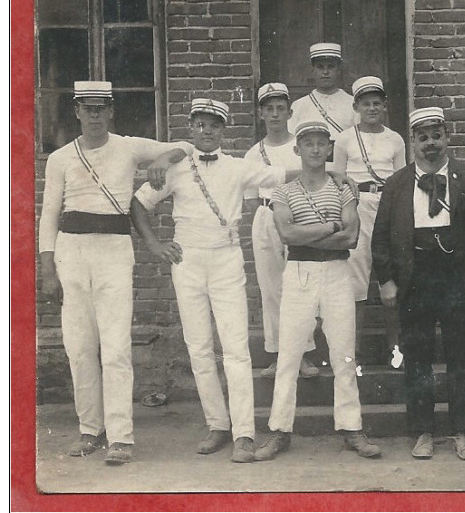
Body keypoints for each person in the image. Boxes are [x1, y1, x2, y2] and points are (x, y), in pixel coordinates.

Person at [37, 81, 190, 465]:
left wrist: (162, 158)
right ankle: (90, 429)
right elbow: (49, 214)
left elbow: (186, 148)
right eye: (86, 109)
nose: (93, 115)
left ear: (110, 112)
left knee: (117, 346)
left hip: (114, 252)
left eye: (100, 109)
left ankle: (121, 437)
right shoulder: (60, 158)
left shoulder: (128, 146)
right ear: (76, 112)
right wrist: (47, 268)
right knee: (79, 345)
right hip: (71, 252)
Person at [130, 98, 291, 464]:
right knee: (199, 347)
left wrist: (334, 171)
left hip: (226, 259)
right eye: (200, 124)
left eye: (214, 125)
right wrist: (155, 245)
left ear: (223, 130)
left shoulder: (238, 167)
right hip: (187, 260)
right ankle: (217, 425)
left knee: (235, 348)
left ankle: (244, 433)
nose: (206, 131)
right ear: (191, 127)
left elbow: (285, 173)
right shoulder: (175, 168)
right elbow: (139, 205)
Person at [254, 121, 381, 461]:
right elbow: (287, 235)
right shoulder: (283, 192)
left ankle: (352, 428)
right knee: (289, 357)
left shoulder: (343, 189)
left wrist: (310, 229)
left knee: (344, 356)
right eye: (307, 143)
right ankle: (279, 431)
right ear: (297, 149)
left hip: (338, 272)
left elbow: (351, 237)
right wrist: (330, 226)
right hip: (299, 272)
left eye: (320, 143)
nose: (314, 149)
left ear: (329, 149)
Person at [371, 106, 465, 461]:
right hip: (415, 279)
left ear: (447, 137)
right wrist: (387, 280)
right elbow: (380, 238)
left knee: (461, 358)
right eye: (422, 138)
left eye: (436, 136)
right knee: (419, 358)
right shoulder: (396, 184)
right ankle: (423, 431)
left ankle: (463, 432)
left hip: (458, 279)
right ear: (412, 142)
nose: (430, 144)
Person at [242, 83, 319, 380]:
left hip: (299, 218)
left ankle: (303, 354)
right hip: (265, 216)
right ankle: (276, 355)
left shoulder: (299, 146)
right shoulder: (253, 153)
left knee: (300, 285)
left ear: (289, 112)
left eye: (280, 108)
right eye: (269, 108)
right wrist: (267, 216)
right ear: (261, 113)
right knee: (271, 288)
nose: (275, 114)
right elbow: (250, 199)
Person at [333, 76, 406, 372]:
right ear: (356, 107)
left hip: (388, 206)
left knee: (393, 276)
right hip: (356, 205)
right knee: (356, 281)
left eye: (377, 103)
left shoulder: (395, 139)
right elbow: (337, 180)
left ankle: (396, 349)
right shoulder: (344, 139)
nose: (372, 108)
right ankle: (354, 353)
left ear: (385, 106)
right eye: (366, 103)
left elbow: (402, 180)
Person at [288, 42, 357, 173]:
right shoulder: (299, 105)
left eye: (330, 67)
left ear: (338, 70)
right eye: (320, 67)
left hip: (345, 172)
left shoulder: (353, 104)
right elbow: (291, 144)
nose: (325, 72)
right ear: (312, 70)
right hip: (309, 173)